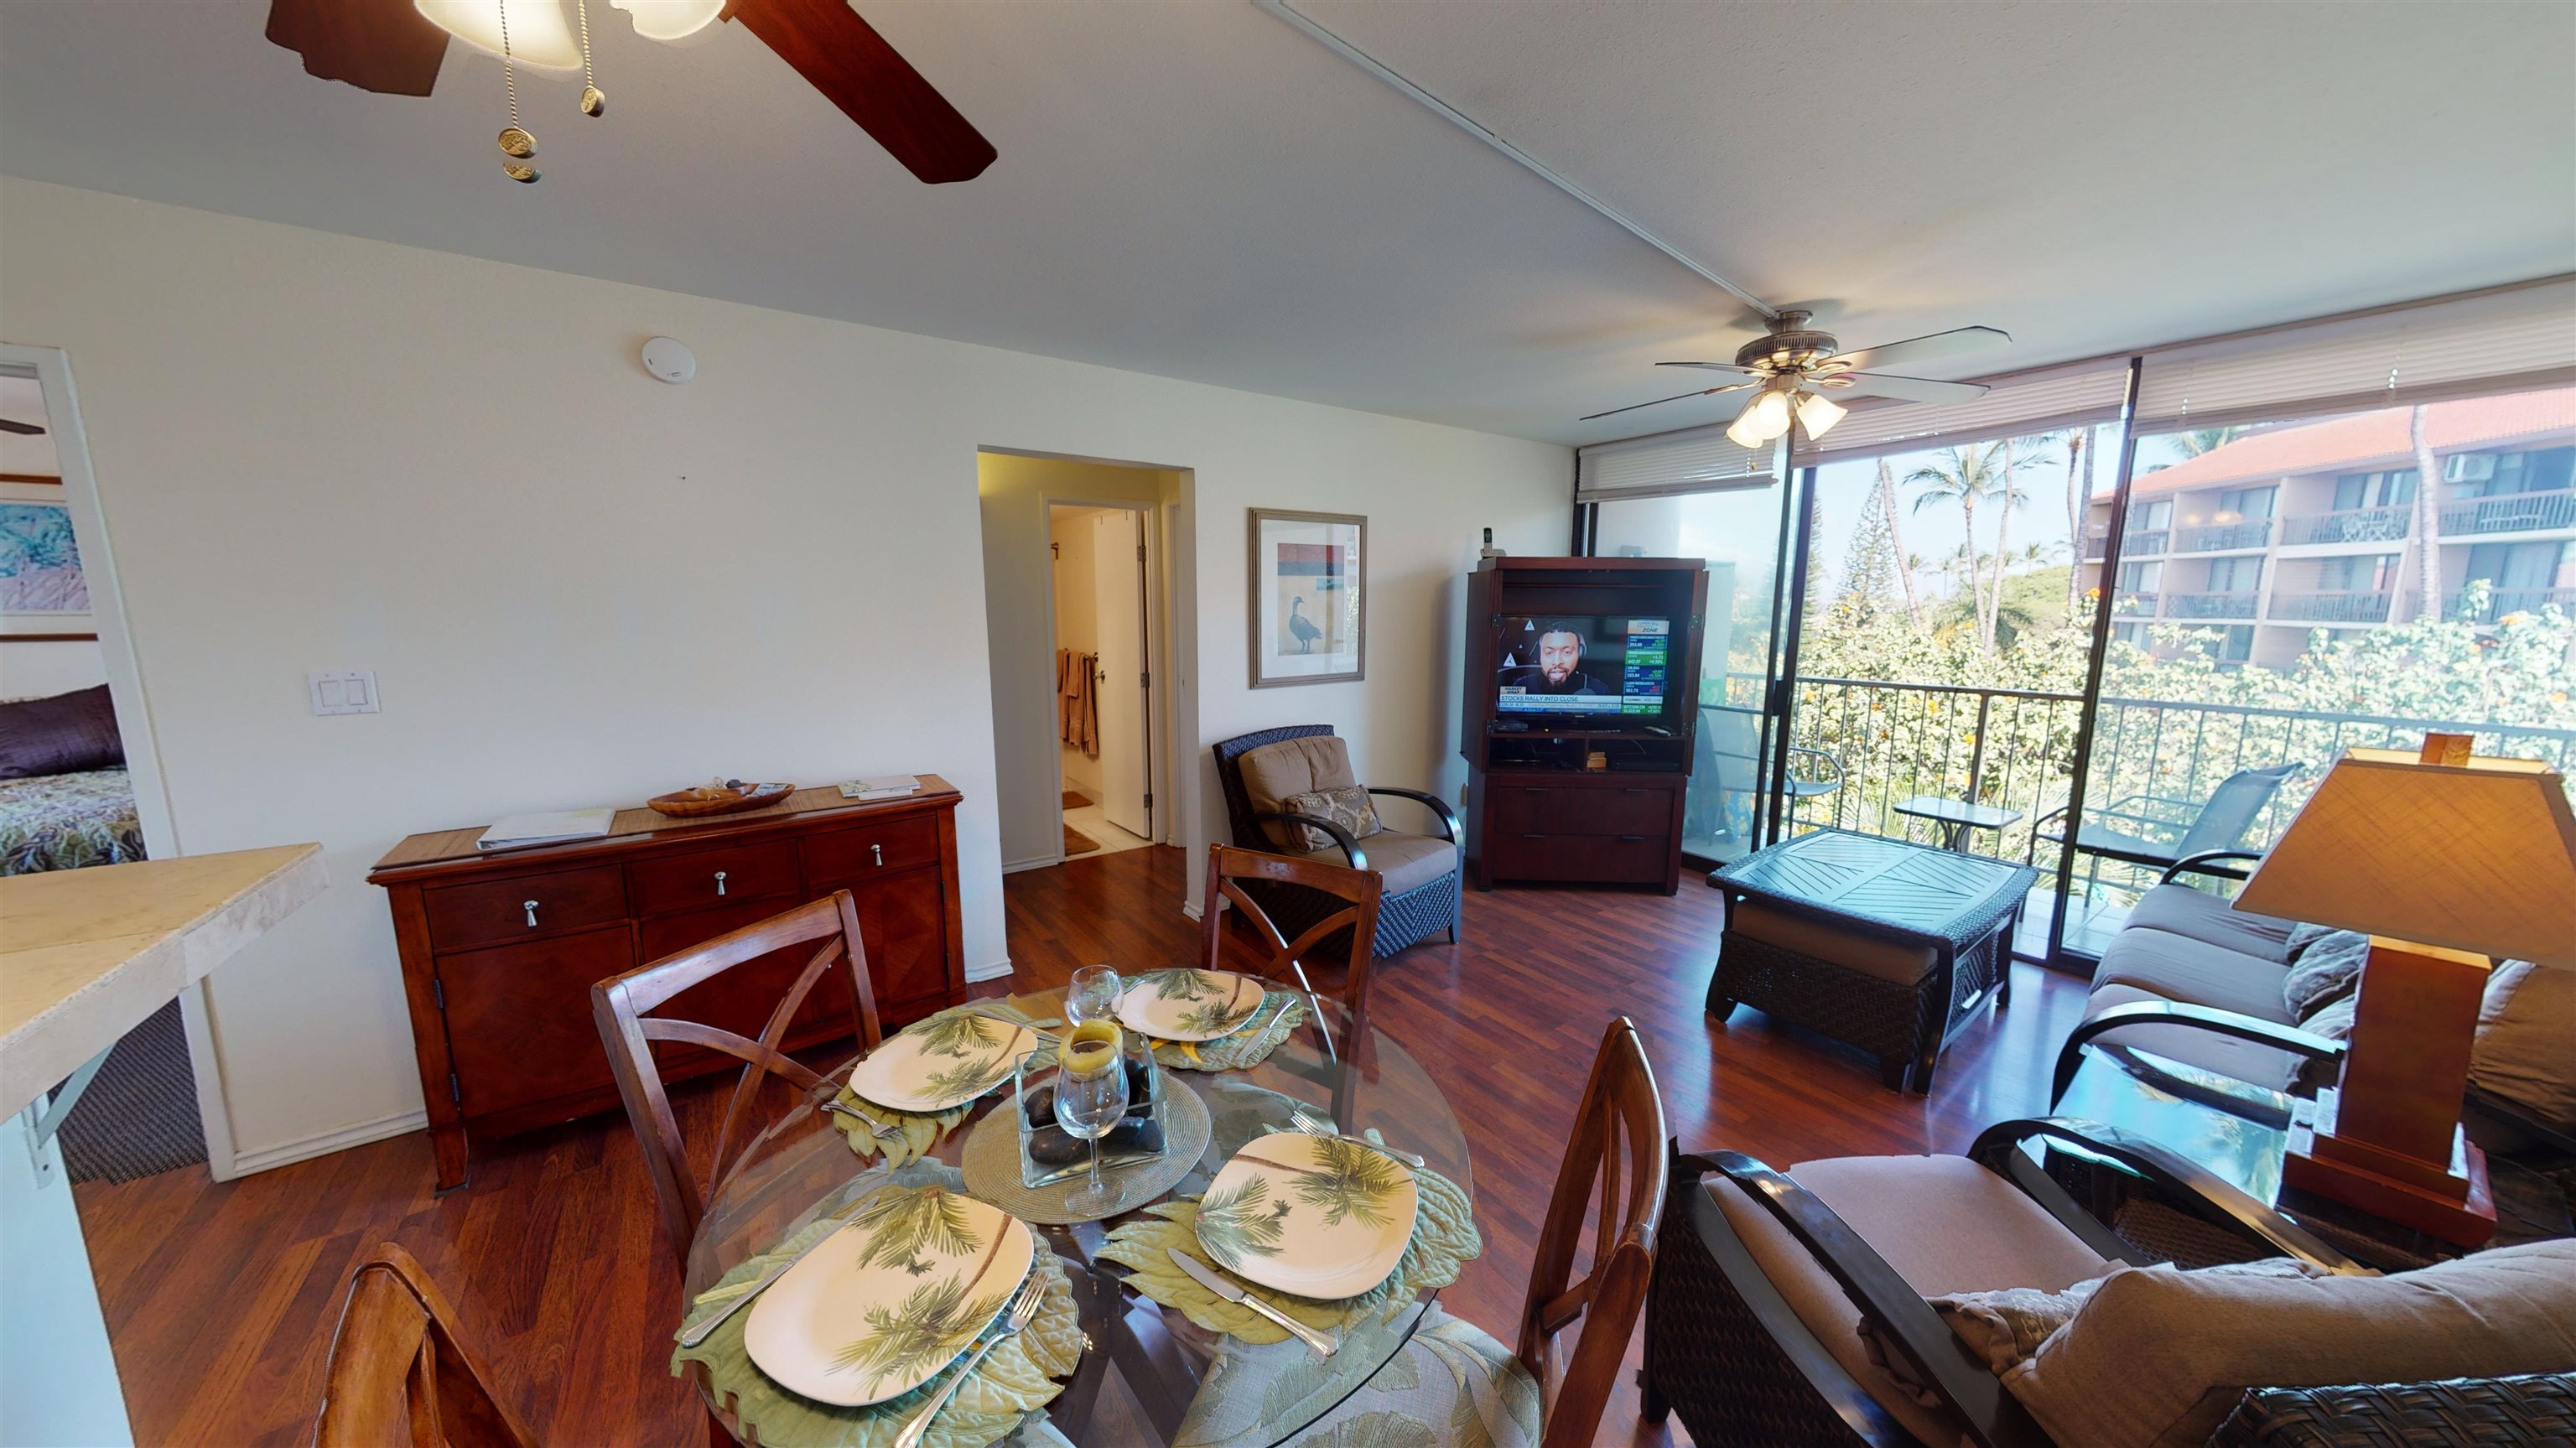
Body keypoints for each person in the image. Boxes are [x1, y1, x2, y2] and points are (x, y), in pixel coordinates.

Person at [1499, 621, 1611, 695]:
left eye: (1567, 652)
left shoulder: (1598, 689)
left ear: (1580, 653)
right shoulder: (1523, 686)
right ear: (1540, 655)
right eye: (1549, 652)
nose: (1557, 661)